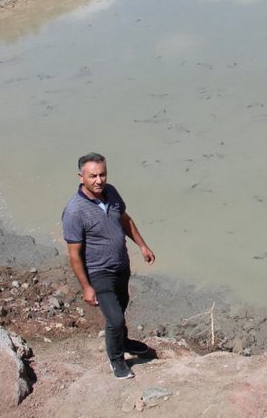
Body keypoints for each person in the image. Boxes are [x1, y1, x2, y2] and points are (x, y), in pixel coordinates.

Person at [62, 152, 156, 379]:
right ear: (80, 177)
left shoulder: (111, 192)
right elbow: (74, 255)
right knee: (114, 318)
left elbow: (125, 220)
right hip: (98, 271)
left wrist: (143, 246)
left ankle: (123, 341)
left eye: (102, 174)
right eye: (92, 176)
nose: (98, 180)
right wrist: (86, 287)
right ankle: (116, 360)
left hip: (121, 265)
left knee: (122, 305)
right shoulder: (74, 211)